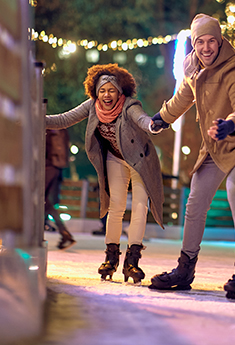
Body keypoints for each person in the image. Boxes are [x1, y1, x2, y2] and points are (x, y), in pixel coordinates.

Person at [148, 13, 235, 300]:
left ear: (220, 41)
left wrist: (231, 123)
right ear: (194, 43)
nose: (206, 48)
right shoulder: (192, 66)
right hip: (215, 144)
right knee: (195, 201)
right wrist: (163, 118)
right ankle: (184, 269)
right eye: (200, 42)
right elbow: (183, 98)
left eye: (211, 41)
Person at [45, 64, 164, 284]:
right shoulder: (92, 106)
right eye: (102, 90)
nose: (106, 94)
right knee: (116, 206)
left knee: (140, 206)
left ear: (120, 91)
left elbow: (142, 119)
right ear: (95, 92)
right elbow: (64, 119)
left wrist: (153, 125)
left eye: (111, 90)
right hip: (116, 158)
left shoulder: (129, 106)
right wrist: (36, 119)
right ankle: (111, 258)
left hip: (140, 160)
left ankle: (132, 261)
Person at [44, 128, 76, 250]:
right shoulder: (60, 131)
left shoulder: (47, 130)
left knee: (42, 200)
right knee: (45, 201)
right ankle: (64, 233)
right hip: (56, 168)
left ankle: (65, 233)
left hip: (48, 167)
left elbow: (44, 150)